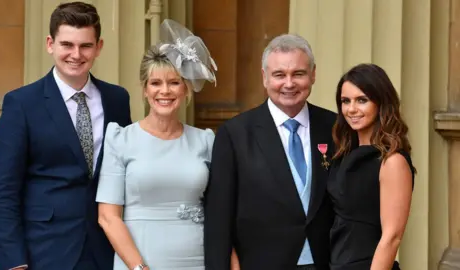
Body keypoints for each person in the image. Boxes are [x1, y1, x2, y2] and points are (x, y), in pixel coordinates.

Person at [0, 2, 132, 270]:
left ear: (98, 47)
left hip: (105, 250)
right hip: (42, 251)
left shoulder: (117, 99)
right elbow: (3, 190)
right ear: (50, 44)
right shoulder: (22, 103)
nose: (76, 54)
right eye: (67, 44)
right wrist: (14, 260)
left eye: (85, 46)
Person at [204, 34, 336, 270]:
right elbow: (218, 219)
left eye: (298, 73)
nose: (289, 83)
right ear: (264, 77)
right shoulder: (235, 134)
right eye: (279, 75)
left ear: (313, 74)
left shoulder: (336, 128)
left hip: (327, 262)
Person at [95, 19, 220, 270]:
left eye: (174, 82)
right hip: (139, 262)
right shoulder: (121, 139)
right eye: (156, 83)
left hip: (197, 261)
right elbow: (108, 217)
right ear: (144, 90)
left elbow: (221, 213)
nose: (165, 91)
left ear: (186, 89)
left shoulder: (206, 141)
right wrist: (140, 268)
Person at [327, 63, 415, 270]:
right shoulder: (343, 154)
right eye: (345, 101)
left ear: (381, 103)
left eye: (362, 100)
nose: (351, 109)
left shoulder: (392, 161)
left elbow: (391, 237)